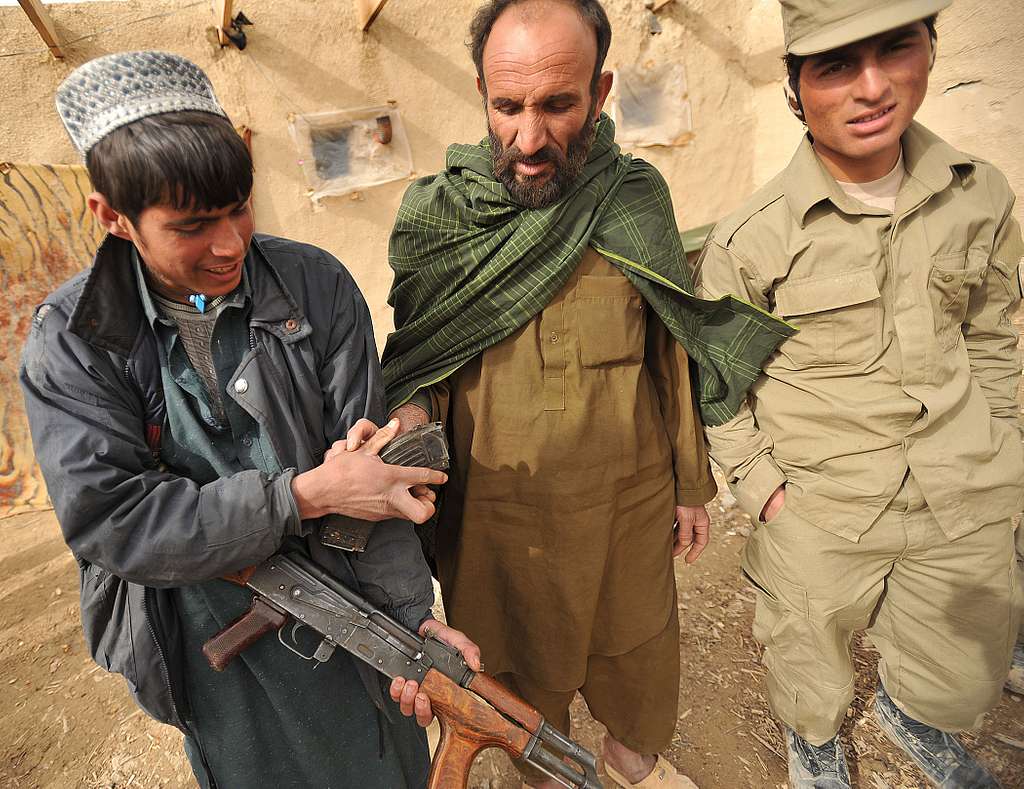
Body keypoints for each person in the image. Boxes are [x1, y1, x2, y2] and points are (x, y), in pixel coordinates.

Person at [20, 51, 479, 788]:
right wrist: (303, 495)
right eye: (194, 225)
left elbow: (377, 484)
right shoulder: (72, 341)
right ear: (114, 217)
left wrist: (409, 618)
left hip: (348, 598)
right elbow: (116, 523)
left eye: (240, 205)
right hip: (203, 626)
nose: (231, 243)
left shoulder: (316, 284)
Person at [379, 2, 790, 786]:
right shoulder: (440, 216)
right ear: (480, 93)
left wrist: (692, 487)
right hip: (498, 530)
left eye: (557, 105)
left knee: (638, 669)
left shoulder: (633, 198)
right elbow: (422, 361)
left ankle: (633, 765)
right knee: (521, 694)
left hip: (626, 514)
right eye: (507, 106)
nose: (529, 139)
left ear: (599, 93)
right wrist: (406, 417)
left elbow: (669, 350)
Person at [695, 2, 1023, 786]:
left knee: (964, 664)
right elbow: (718, 386)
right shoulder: (754, 238)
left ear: (930, 50)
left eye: (896, 49)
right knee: (807, 659)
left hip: (960, 484)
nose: (871, 87)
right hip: (821, 502)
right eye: (836, 64)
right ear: (796, 87)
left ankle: (910, 716)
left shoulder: (980, 197)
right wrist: (768, 492)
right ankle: (815, 742)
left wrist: (1004, 443)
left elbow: (996, 334)